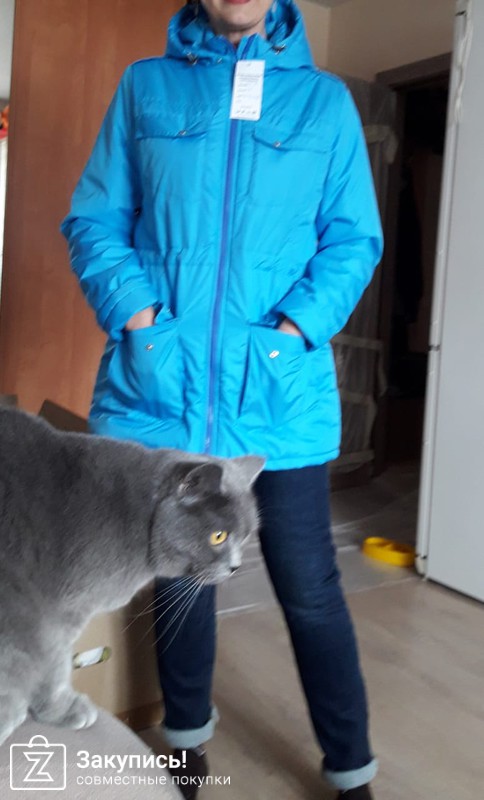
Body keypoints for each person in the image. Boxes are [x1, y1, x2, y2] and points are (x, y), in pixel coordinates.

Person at [61, 1, 383, 797]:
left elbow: (353, 238)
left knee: (310, 587)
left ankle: (351, 769)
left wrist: (292, 332)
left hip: (277, 400)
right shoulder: (146, 87)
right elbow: (95, 221)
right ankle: (185, 746)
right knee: (183, 574)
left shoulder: (324, 103)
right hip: (162, 392)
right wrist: (141, 321)